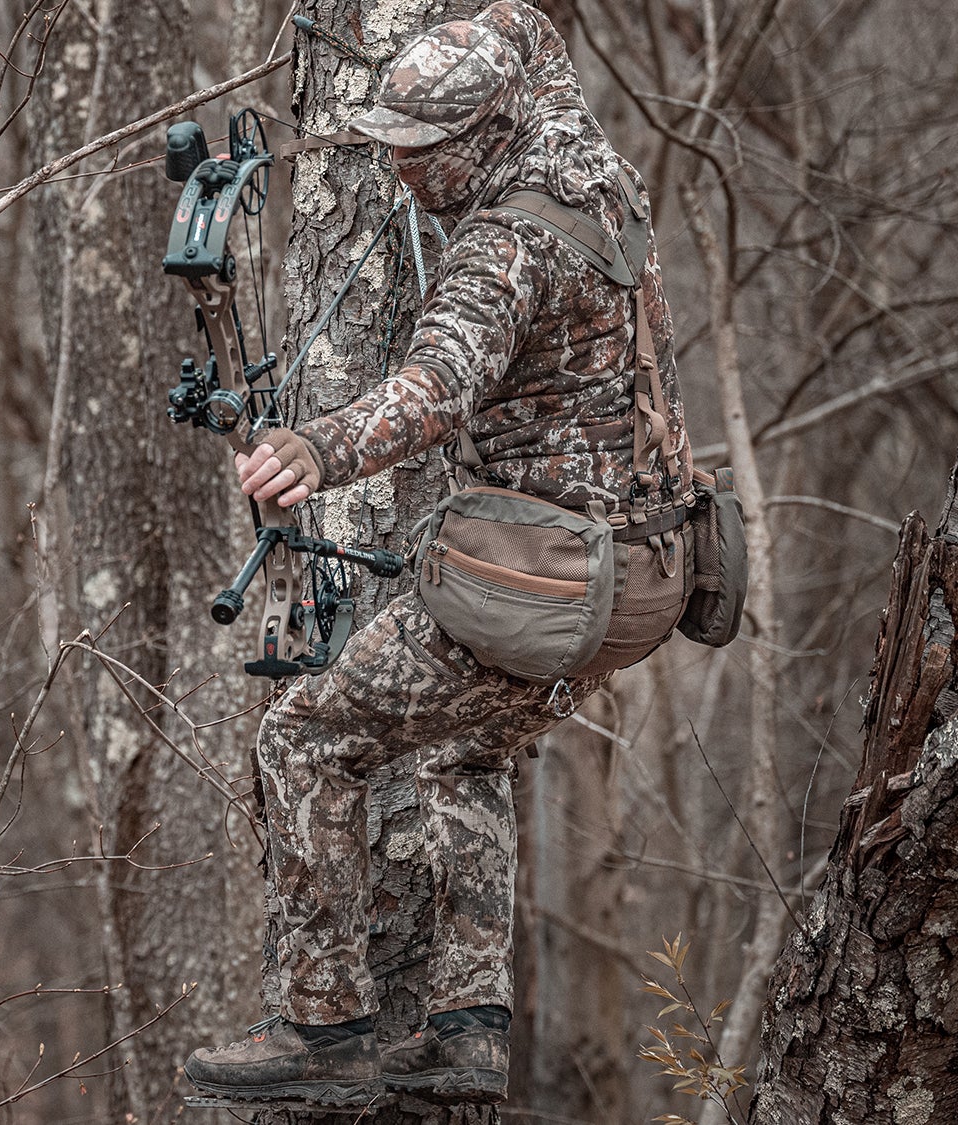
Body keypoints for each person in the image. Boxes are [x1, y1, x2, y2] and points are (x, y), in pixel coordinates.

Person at [182, 1, 692, 1106]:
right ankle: (466, 1031)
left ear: (480, 136)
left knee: (306, 737)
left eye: (421, 154)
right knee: (465, 745)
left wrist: (314, 447)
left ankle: (322, 1034)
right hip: (646, 582)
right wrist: (475, 28)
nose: (402, 175)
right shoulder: (585, 159)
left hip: (546, 587)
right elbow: (530, 35)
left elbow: (433, 387)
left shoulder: (498, 249)